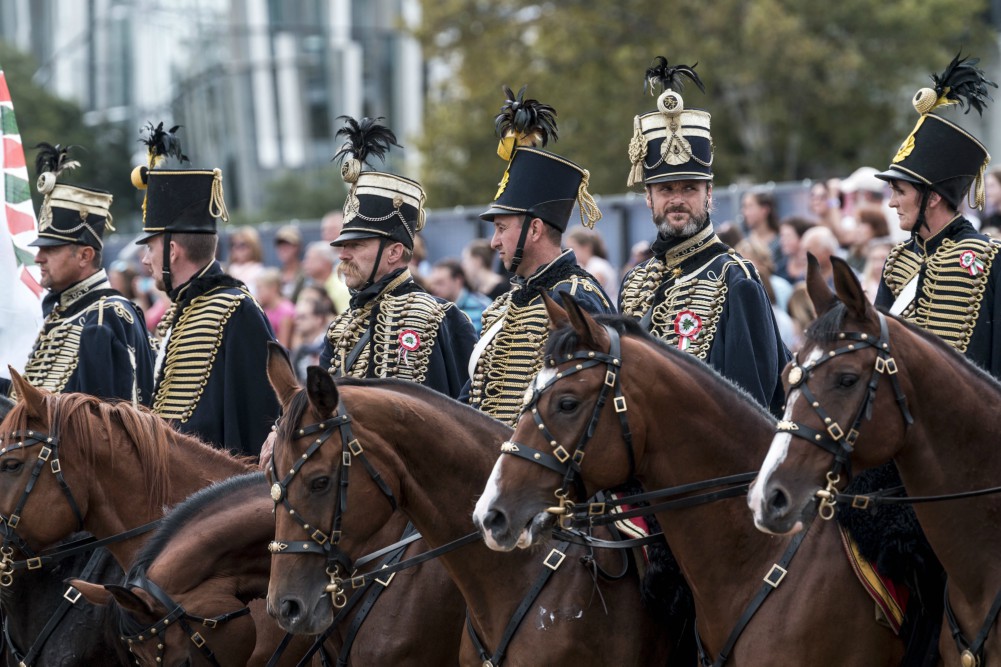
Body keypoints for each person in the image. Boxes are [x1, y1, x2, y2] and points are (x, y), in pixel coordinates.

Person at [620, 58, 789, 415]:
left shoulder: (736, 279)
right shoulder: (635, 280)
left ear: (709, 194)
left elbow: (752, 408)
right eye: (665, 189)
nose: (677, 199)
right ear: (648, 197)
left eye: (689, 189)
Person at [466, 85, 614, 425]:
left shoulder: (579, 298)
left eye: (501, 228)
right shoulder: (502, 307)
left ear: (534, 230)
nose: (493, 242)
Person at [134, 122, 279, 456]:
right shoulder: (180, 312)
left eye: (150, 248)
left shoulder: (236, 308)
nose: (145, 259)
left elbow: (256, 424)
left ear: (173, 251)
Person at [319, 116, 476, 399]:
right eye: (343, 245)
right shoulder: (340, 329)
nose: (342, 254)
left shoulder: (442, 318)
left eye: (356, 244)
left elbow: (469, 416)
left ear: (393, 252)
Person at [874, 55, 1001, 376]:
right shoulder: (896, 262)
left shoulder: (989, 259)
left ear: (931, 197)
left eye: (900, 192)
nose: (892, 203)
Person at [0, 144, 155, 404]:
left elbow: (111, 427)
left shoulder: (108, 316)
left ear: (85, 255)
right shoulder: (63, 312)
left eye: (51, 250)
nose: (38, 258)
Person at [428, 258, 491, 335]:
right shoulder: (433, 308)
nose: (433, 288)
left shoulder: (483, 307)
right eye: (433, 283)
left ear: (458, 280)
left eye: (440, 283)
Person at [290, 285, 335, 382]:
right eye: (296, 317)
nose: (296, 321)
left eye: (302, 317)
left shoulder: (331, 345)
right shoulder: (301, 349)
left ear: (318, 319)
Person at [740, 188, 782, 267]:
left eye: (749, 206)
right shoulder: (743, 241)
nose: (744, 212)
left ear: (764, 210)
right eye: (744, 207)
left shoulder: (781, 243)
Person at [256, 267, 295, 348]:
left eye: (260, 289)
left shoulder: (286, 311)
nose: (258, 293)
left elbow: (283, 346)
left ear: (273, 288)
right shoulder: (265, 309)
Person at [225, 226, 265, 295]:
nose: (236, 248)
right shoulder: (226, 269)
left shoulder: (260, 271)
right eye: (233, 244)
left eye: (242, 245)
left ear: (253, 247)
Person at [274, 224, 306, 302]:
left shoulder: (306, 273)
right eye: (280, 245)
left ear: (298, 247)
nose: (283, 249)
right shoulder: (276, 274)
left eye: (287, 244)